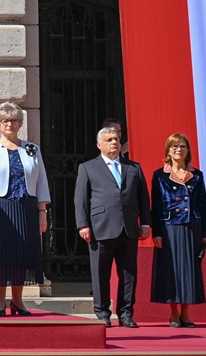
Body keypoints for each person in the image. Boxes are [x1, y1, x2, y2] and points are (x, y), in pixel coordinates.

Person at [0, 102, 49, 317]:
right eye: (5, 120)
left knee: (20, 256)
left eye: (14, 120)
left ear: (20, 123)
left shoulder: (32, 149)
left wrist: (42, 212)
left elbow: (41, 181)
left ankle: (17, 301)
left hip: (25, 208)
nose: (10, 124)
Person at [74, 125, 151, 328]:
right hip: (100, 228)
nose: (114, 143)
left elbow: (143, 197)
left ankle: (126, 313)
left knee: (129, 273)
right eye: (109, 140)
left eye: (116, 139)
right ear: (99, 144)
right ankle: (102, 313)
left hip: (129, 228)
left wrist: (145, 223)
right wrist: (83, 224)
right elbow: (80, 199)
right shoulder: (88, 167)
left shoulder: (133, 168)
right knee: (101, 274)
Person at [150, 133, 206, 327]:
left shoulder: (197, 175)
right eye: (174, 146)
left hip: (193, 226)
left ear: (188, 150)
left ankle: (186, 313)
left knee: (189, 270)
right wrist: (156, 232)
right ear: (168, 150)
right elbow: (156, 206)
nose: (178, 149)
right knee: (172, 270)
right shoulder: (159, 175)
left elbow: (203, 204)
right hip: (170, 228)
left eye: (182, 146)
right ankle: (173, 312)